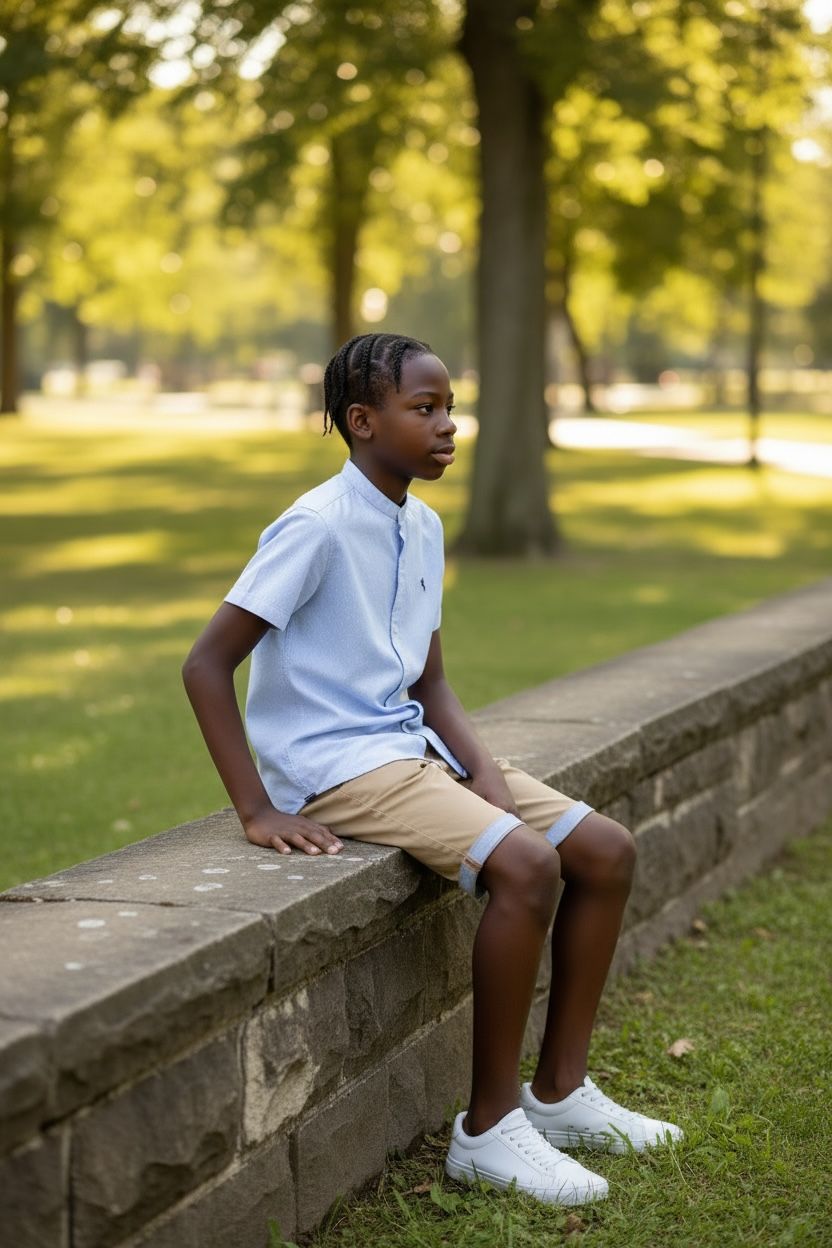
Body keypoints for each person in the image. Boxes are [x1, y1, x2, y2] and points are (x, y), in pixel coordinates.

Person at [182, 332, 682, 1208]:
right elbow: (204, 664)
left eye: (450, 405)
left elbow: (431, 680)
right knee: (528, 866)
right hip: (338, 768)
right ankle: (488, 1131)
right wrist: (258, 809)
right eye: (426, 409)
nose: (449, 424)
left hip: (412, 747)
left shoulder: (423, 523)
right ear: (362, 420)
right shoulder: (316, 525)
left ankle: (560, 1093)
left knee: (604, 849)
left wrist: (483, 773)